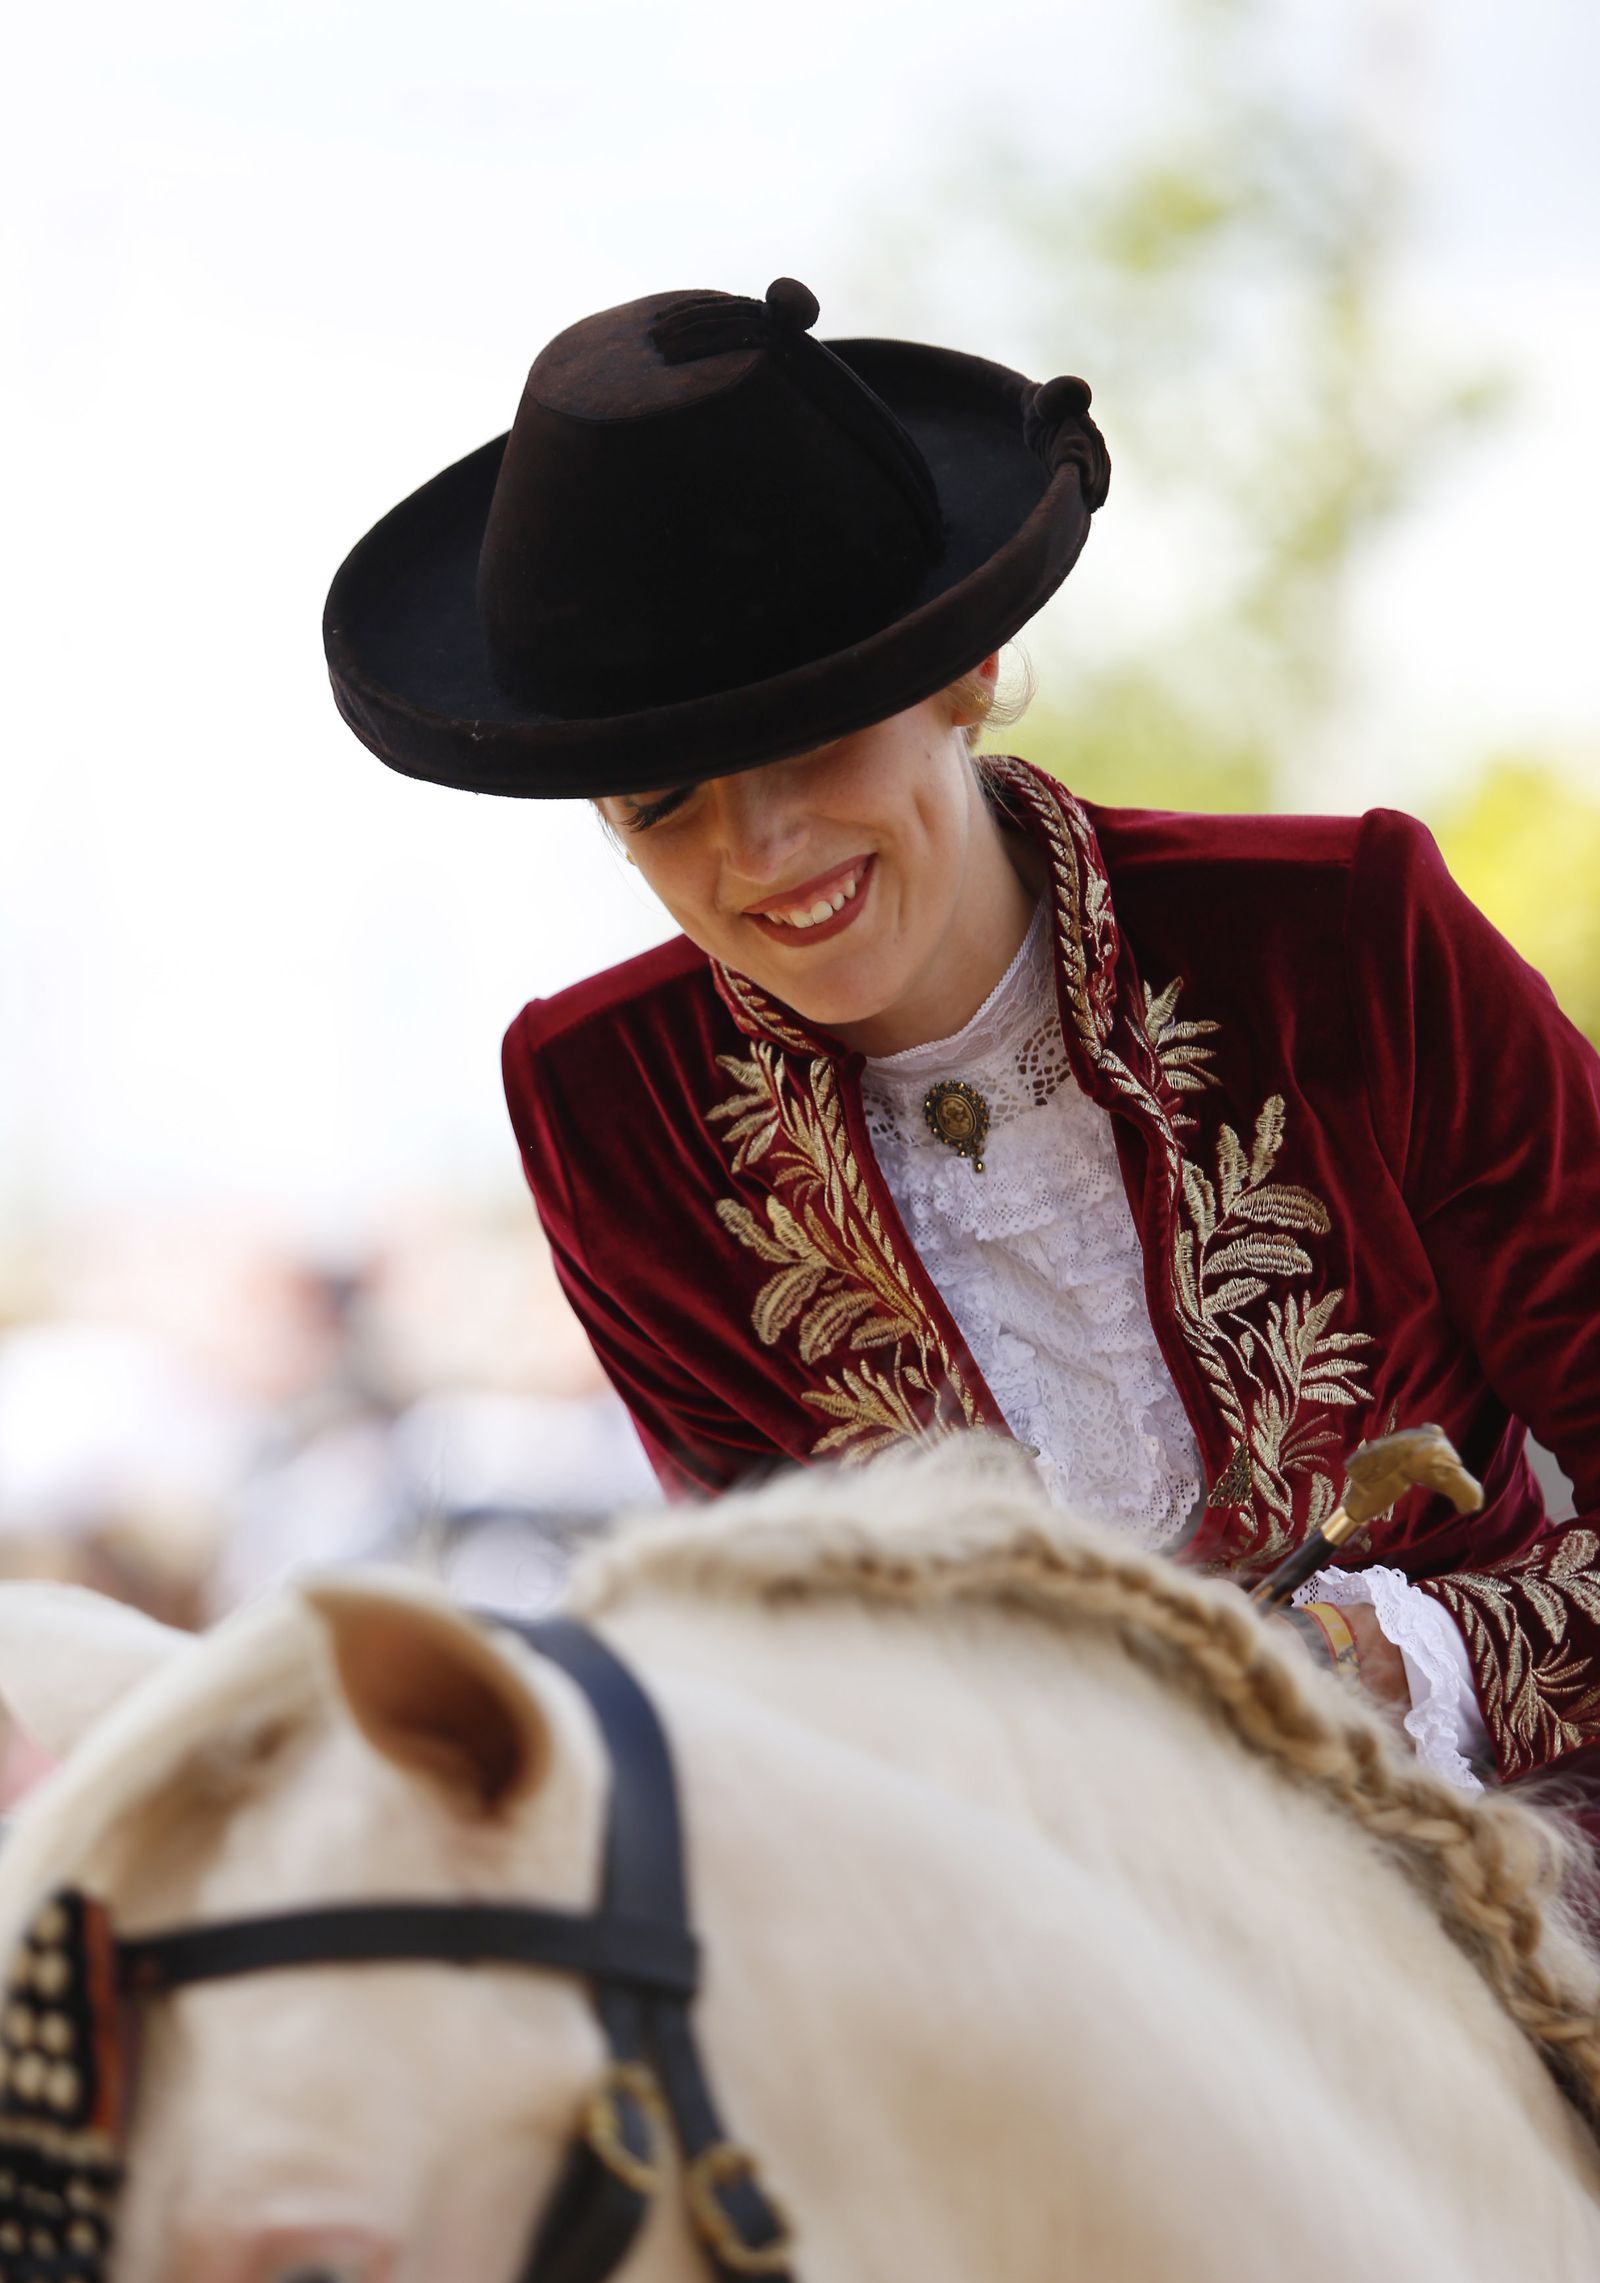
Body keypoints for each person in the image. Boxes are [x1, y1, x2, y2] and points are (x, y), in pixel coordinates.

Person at [324, 275, 1600, 1806]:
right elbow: (788, 1666)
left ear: (967, 670)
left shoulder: (1342, 936)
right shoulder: (607, 1110)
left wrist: (1405, 1662)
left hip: (1504, 1887)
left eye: (811, 729)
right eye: (660, 797)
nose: (762, 847)